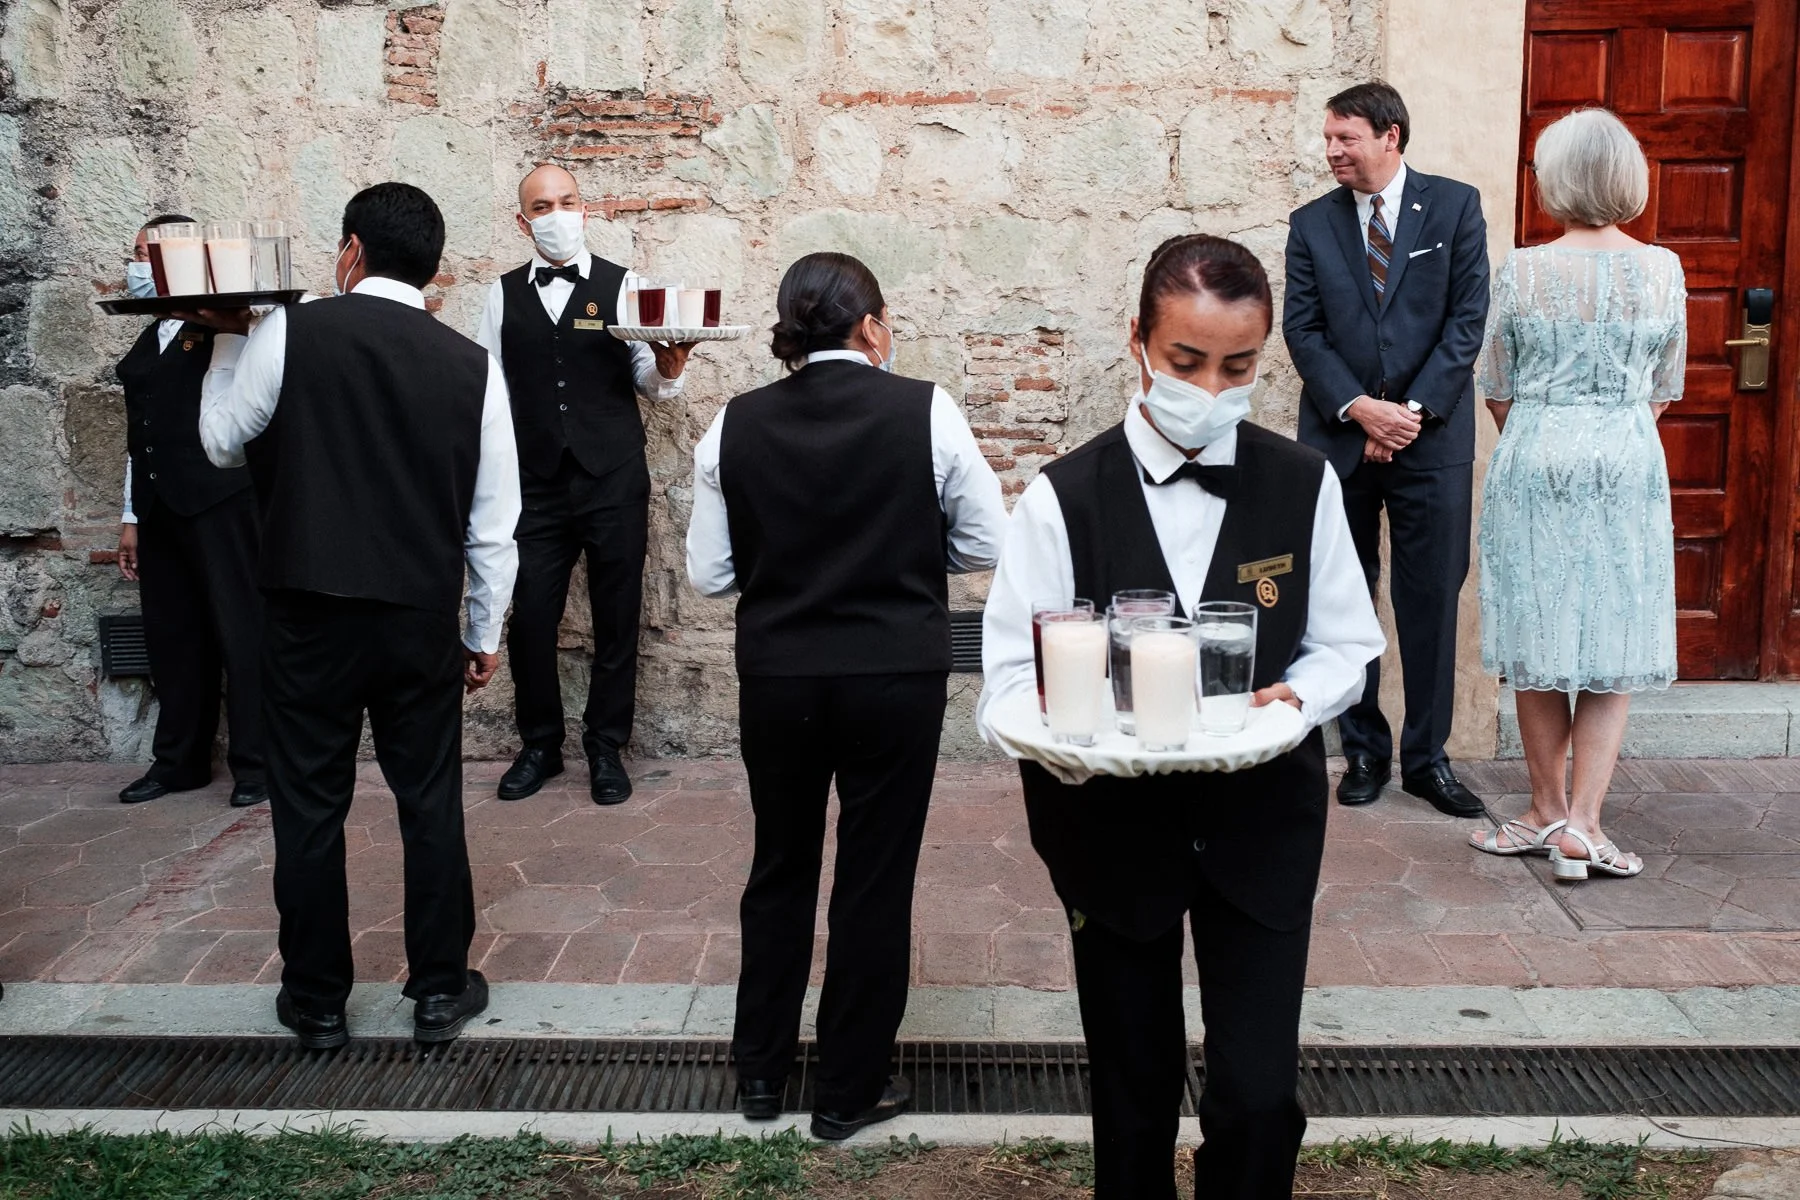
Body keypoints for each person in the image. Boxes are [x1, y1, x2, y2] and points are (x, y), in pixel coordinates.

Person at [979, 235, 1384, 1198]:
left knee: (1255, 1094)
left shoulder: (1303, 483)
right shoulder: (1060, 499)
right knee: (1132, 1086)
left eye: (1239, 367)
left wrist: (1299, 705)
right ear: (1138, 346)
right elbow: (1003, 684)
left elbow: (1347, 646)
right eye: (1187, 362)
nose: (1211, 388)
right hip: (1109, 831)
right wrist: (1068, 750)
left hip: (1262, 825)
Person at [687, 252, 1006, 1140]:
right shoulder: (925, 408)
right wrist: (902, 548)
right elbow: (986, 541)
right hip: (893, 675)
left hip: (780, 674)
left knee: (779, 866)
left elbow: (711, 574)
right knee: (874, 877)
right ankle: (847, 1091)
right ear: (872, 325)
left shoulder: (733, 422)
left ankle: (759, 1074)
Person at [197, 182, 521, 1049]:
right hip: (418, 618)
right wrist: (482, 634)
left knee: (308, 805)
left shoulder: (288, 334)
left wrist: (227, 345)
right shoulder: (473, 367)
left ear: (350, 251)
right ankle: (441, 992)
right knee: (429, 800)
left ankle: (315, 1002)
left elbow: (222, 440)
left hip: (307, 612)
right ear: (436, 269)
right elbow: (494, 523)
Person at [1471, 108, 1684, 881]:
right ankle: (1586, 824)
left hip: (1537, 452)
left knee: (1538, 636)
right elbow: (1666, 386)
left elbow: (1494, 383)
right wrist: (1613, 427)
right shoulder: (1663, 268)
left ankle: (1542, 809)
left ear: (1555, 180)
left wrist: (1545, 427)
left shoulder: (1523, 269)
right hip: (1628, 457)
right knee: (1613, 642)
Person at [1283, 80, 1491, 817]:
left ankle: (1428, 761)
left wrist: (1407, 414)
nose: (1331, 150)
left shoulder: (1456, 206)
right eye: (1329, 137)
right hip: (1341, 439)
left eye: (1346, 138)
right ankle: (1364, 751)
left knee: (1430, 597)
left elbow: (1467, 320)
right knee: (1345, 597)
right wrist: (1363, 411)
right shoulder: (1311, 225)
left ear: (1391, 136)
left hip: (1430, 443)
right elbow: (1302, 331)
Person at [474, 163, 694, 806]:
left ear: (585, 209)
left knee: (617, 617)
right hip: (535, 484)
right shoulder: (500, 294)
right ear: (524, 220)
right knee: (531, 619)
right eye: (542, 206)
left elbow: (651, 383)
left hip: (613, 478)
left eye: (566, 201)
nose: (557, 214)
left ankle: (605, 748)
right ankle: (539, 746)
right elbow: (489, 392)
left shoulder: (626, 287)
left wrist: (669, 369)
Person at [113, 214, 266, 809]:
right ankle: (178, 761)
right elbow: (138, 436)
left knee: (242, 632)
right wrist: (131, 517)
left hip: (223, 503)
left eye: (151, 255)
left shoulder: (233, 329)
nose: (140, 266)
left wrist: (239, 325)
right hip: (159, 507)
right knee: (173, 636)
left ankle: (257, 763)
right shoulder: (145, 335)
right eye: (135, 253)